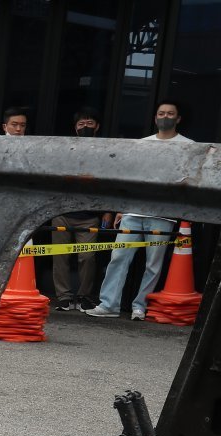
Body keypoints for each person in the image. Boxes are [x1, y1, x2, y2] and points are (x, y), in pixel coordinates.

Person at [84, 101, 194, 321]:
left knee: (153, 266)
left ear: (178, 118)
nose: (165, 117)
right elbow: (131, 178)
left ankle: (140, 306)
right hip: (133, 213)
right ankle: (109, 305)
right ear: (155, 118)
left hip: (163, 214)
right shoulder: (143, 144)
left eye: (170, 114)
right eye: (161, 113)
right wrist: (121, 209)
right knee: (118, 258)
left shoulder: (188, 145)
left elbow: (188, 182)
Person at [51, 107, 110, 311]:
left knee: (87, 257)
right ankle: (64, 297)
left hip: (89, 215)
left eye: (89, 123)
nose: (85, 127)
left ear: (97, 126)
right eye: (81, 124)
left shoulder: (105, 151)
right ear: (75, 128)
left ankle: (84, 296)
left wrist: (107, 210)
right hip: (63, 213)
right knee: (60, 256)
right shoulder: (66, 149)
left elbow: (109, 182)